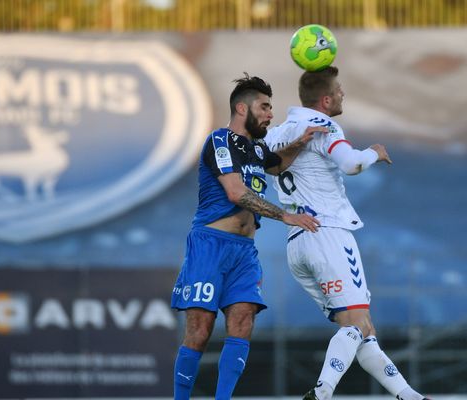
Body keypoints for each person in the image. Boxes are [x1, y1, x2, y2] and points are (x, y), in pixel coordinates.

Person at [265, 66, 427, 400]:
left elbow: (267, 166)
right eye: (339, 90)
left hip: (298, 242)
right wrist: (375, 152)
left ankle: (410, 396)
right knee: (356, 325)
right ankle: (322, 392)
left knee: (362, 330)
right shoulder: (323, 124)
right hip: (329, 234)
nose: (343, 94)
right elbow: (351, 163)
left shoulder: (277, 133)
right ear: (325, 99)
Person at [171, 73, 326, 400]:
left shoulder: (257, 148)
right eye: (265, 107)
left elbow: (276, 164)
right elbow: (235, 192)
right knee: (199, 332)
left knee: (243, 322)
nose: (271, 114)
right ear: (242, 108)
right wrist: (286, 215)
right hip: (210, 246)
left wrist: (302, 141)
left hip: (244, 251)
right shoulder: (219, 141)